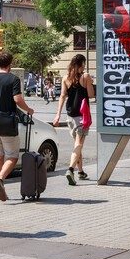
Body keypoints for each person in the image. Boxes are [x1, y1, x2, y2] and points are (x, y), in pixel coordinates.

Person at [0, 52, 35, 201]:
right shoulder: (13, 79)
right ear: (10, 64)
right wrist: (28, 109)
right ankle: (0, 178)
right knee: (13, 156)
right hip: (8, 121)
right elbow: (17, 99)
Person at [52, 54, 95, 186]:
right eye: (84, 64)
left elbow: (62, 96)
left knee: (78, 145)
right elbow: (91, 95)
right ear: (81, 64)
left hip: (70, 116)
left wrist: (57, 115)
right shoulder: (85, 77)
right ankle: (70, 169)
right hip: (82, 117)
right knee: (78, 144)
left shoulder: (66, 78)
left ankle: (81, 171)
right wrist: (91, 84)